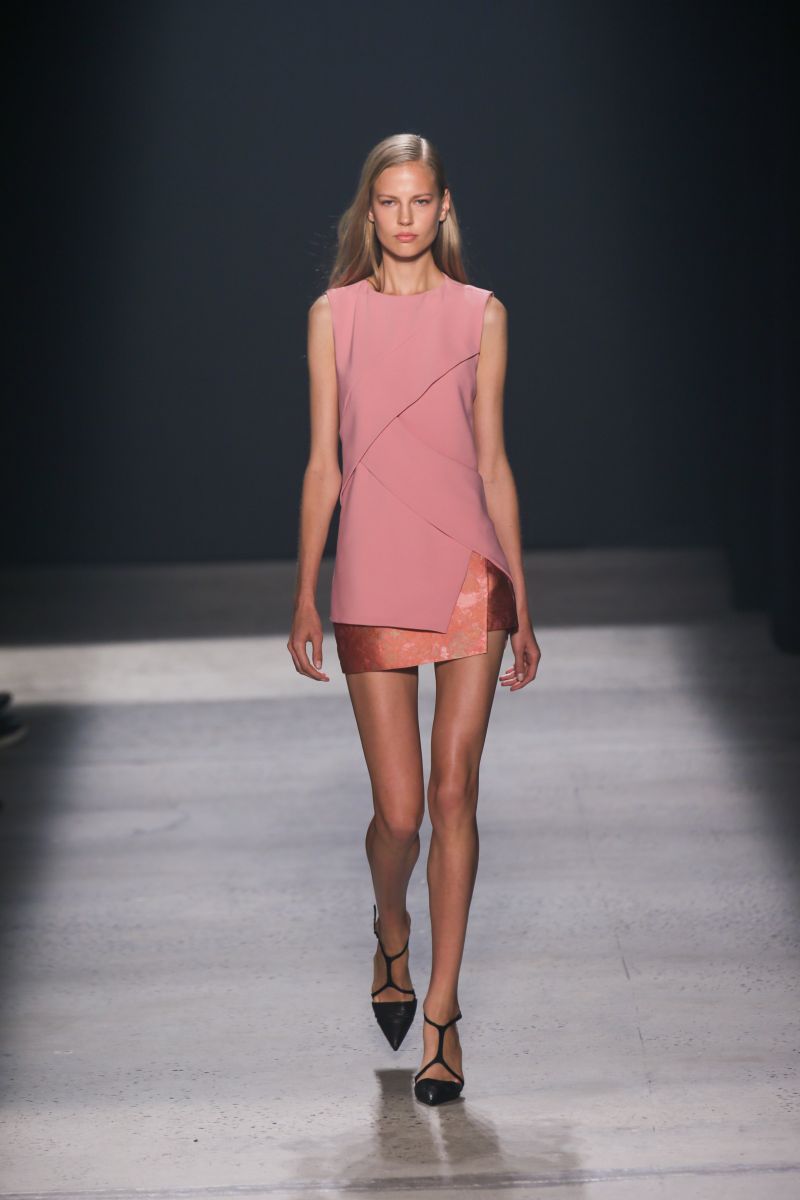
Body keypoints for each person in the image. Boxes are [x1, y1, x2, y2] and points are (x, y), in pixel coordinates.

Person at [288, 133, 541, 1105]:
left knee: (452, 793)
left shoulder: (482, 313)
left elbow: (492, 462)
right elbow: (323, 464)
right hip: (372, 570)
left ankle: (442, 1014)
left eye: (419, 200)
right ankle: (390, 925)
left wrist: (522, 599)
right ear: (370, 211)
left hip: (470, 572)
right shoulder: (333, 316)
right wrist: (303, 590)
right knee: (398, 813)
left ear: (442, 208)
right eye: (388, 201)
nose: (404, 217)